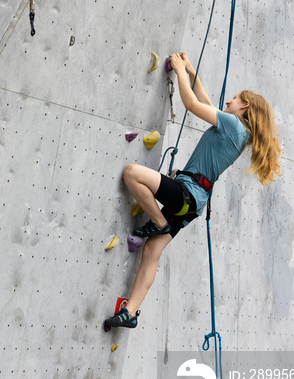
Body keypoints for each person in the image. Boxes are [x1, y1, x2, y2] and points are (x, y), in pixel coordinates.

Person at [103, 51, 281, 330]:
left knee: (132, 174)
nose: (228, 101)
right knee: (151, 252)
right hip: (193, 204)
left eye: (233, 99)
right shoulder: (238, 134)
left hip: (187, 193)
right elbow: (205, 101)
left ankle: (158, 222)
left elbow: (190, 103)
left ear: (244, 106)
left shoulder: (233, 125)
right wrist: (189, 69)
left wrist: (178, 70)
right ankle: (131, 311)